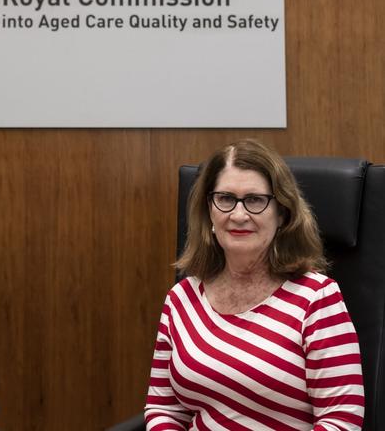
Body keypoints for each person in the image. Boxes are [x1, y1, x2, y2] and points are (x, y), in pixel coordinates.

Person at [145, 139, 364, 430]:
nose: (238, 215)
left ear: (282, 214)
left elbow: (341, 420)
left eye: (255, 200)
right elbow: (164, 409)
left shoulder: (317, 299)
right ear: (209, 210)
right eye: (225, 198)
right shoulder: (181, 299)